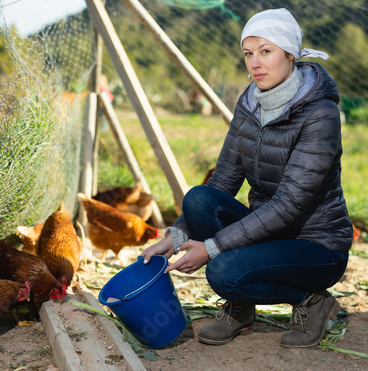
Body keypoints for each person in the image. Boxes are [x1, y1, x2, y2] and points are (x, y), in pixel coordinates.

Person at [141, 8, 353, 348]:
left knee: (222, 272)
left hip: (316, 245)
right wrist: (177, 234)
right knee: (198, 198)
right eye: (248, 53)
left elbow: (288, 205)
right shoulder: (249, 104)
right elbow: (223, 179)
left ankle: (313, 301)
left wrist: (212, 248)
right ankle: (241, 309)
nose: (255, 63)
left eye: (266, 52)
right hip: (268, 231)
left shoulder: (320, 114)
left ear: (290, 55)